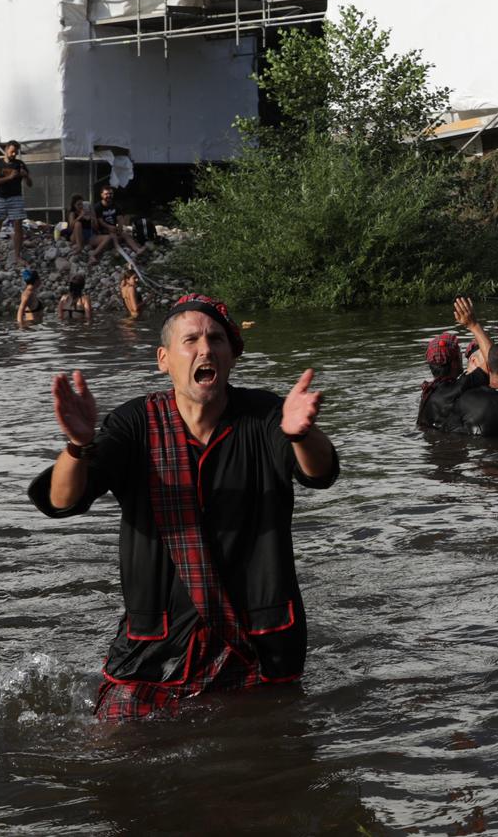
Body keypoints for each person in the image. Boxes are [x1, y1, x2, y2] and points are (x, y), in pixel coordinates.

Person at [29, 294, 337, 718]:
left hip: (261, 640)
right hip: (158, 643)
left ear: (232, 356)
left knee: (273, 756)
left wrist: (302, 434)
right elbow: (62, 501)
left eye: (216, 339)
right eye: (190, 340)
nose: (205, 348)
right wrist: (78, 447)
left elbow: (319, 473)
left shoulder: (267, 417)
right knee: (110, 753)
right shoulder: (134, 424)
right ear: (164, 359)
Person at [0, 141, 32, 265]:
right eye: (12, 151)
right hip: (0, 198)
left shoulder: (20, 164)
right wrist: (9, 177)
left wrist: (26, 176)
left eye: (16, 152)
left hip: (15, 198)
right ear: (6, 149)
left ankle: (17, 257)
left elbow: (30, 184)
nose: (14, 154)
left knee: (18, 225)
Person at [89, 185, 144, 262]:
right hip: (103, 233)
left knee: (124, 234)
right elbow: (100, 222)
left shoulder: (116, 206)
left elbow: (119, 218)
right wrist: (109, 227)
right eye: (106, 194)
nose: (109, 196)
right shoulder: (98, 207)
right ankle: (95, 255)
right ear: (102, 195)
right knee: (111, 235)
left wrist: (120, 227)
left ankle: (137, 249)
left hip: (114, 231)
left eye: (111, 194)